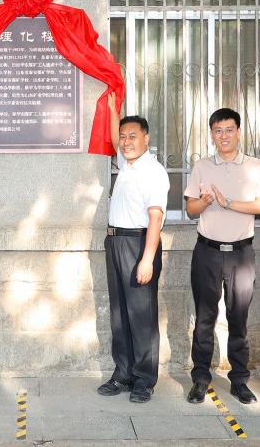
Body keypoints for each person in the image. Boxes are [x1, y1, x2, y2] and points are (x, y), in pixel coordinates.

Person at [183, 108, 260, 405]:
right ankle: (200, 379)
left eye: (229, 129)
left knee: (238, 318)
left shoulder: (254, 166)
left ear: (238, 132)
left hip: (241, 254)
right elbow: (191, 209)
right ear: (212, 134)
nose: (224, 135)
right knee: (204, 318)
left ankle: (239, 380)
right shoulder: (202, 166)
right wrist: (205, 201)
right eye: (218, 130)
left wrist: (228, 202)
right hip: (207, 251)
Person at [96, 92, 169, 403]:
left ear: (146, 138)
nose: (125, 142)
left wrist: (147, 259)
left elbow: (156, 218)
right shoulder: (127, 165)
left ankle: (144, 380)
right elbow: (115, 139)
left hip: (139, 243)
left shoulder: (153, 171)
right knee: (120, 314)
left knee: (141, 315)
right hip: (115, 242)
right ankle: (123, 373)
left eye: (132, 136)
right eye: (123, 136)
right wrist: (114, 108)